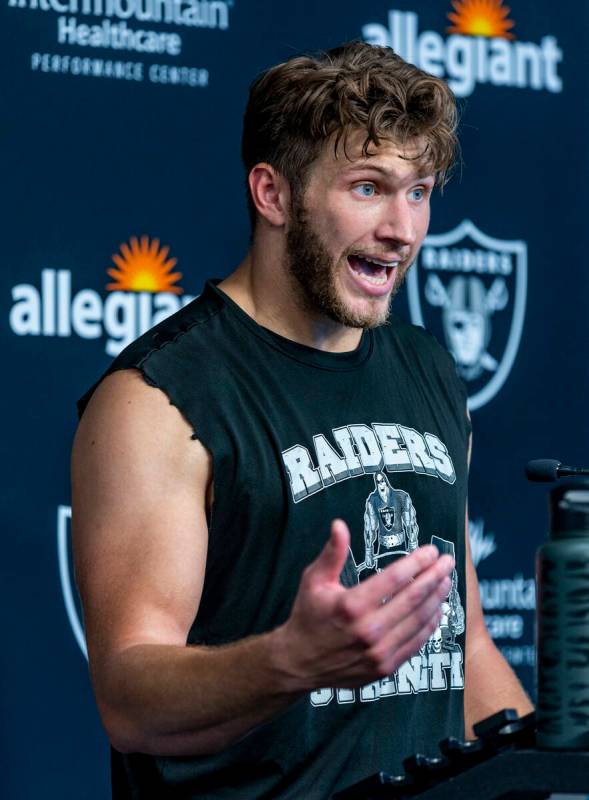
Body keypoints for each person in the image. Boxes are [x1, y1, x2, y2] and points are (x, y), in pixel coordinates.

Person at [72, 42, 532, 799]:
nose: (403, 229)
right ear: (272, 194)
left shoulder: (428, 370)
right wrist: (291, 658)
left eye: (417, 191)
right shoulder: (157, 400)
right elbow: (127, 698)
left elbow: (467, 644)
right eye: (367, 188)